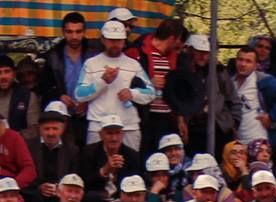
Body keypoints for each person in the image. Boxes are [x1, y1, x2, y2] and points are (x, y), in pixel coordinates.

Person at [74, 20, 156, 148]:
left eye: (119, 40)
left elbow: (151, 92)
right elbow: (79, 94)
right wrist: (102, 82)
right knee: (96, 166)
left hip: (128, 126)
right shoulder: (91, 63)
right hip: (98, 126)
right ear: (103, 40)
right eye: (111, 40)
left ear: (124, 41)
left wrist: (132, 94)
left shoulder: (133, 64)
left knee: (130, 166)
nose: (115, 44)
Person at [167, 34, 240, 157]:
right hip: (193, 127)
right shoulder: (181, 72)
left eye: (206, 53)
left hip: (219, 127)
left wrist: (233, 122)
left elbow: (232, 97)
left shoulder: (218, 71)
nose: (203, 57)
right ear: (190, 51)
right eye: (199, 52)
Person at [38, 12, 102, 147]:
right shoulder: (53, 55)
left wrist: (88, 99)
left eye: (78, 32)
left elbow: (102, 83)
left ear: (84, 32)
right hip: (63, 115)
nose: (74, 36)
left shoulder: (95, 54)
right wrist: (59, 96)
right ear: (63, 32)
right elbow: (43, 87)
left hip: (90, 115)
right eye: (69, 32)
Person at [126, 17, 187, 153]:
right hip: (145, 117)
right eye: (177, 40)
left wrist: (180, 119)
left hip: (168, 117)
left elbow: (179, 89)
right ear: (172, 38)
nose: (178, 45)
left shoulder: (175, 57)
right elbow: (126, 82)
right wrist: (149, 83)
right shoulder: (138, 51)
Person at [232, 46, 276, 147]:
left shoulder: (263, 80)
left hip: (258, 140)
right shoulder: (230, 82)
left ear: (255, 65)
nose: (243, 64)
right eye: (240, 60)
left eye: (248, 61)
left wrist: (272, 116)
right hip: (236, 141)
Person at [77, 115, 140, 202]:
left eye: (117, 133)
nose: (114, 138)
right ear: (101, 135)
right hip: (96, 197)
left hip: (122, 198)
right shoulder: (88, 152)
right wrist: (104, 170)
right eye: (109, 133)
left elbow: (135, 183)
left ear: (122, 135)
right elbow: (84, 183)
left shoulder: (131, 155)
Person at [25, 105, 78, 202]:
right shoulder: (28, 147)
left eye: (55, 129)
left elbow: (74, 175)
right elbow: (25, 173)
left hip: (61, 194)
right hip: (35, 194)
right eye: (46, 129)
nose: (51, 133)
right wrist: (39, 187)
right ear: (39, 129)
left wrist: (61, 187)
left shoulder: (72, 149)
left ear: (62, 129)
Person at [0, 54, 39, 141]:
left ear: (13, 74)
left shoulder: (27, 96)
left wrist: (12, 138)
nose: (3, 77)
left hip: (17, 147)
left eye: (7, 71)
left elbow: (34, 129)